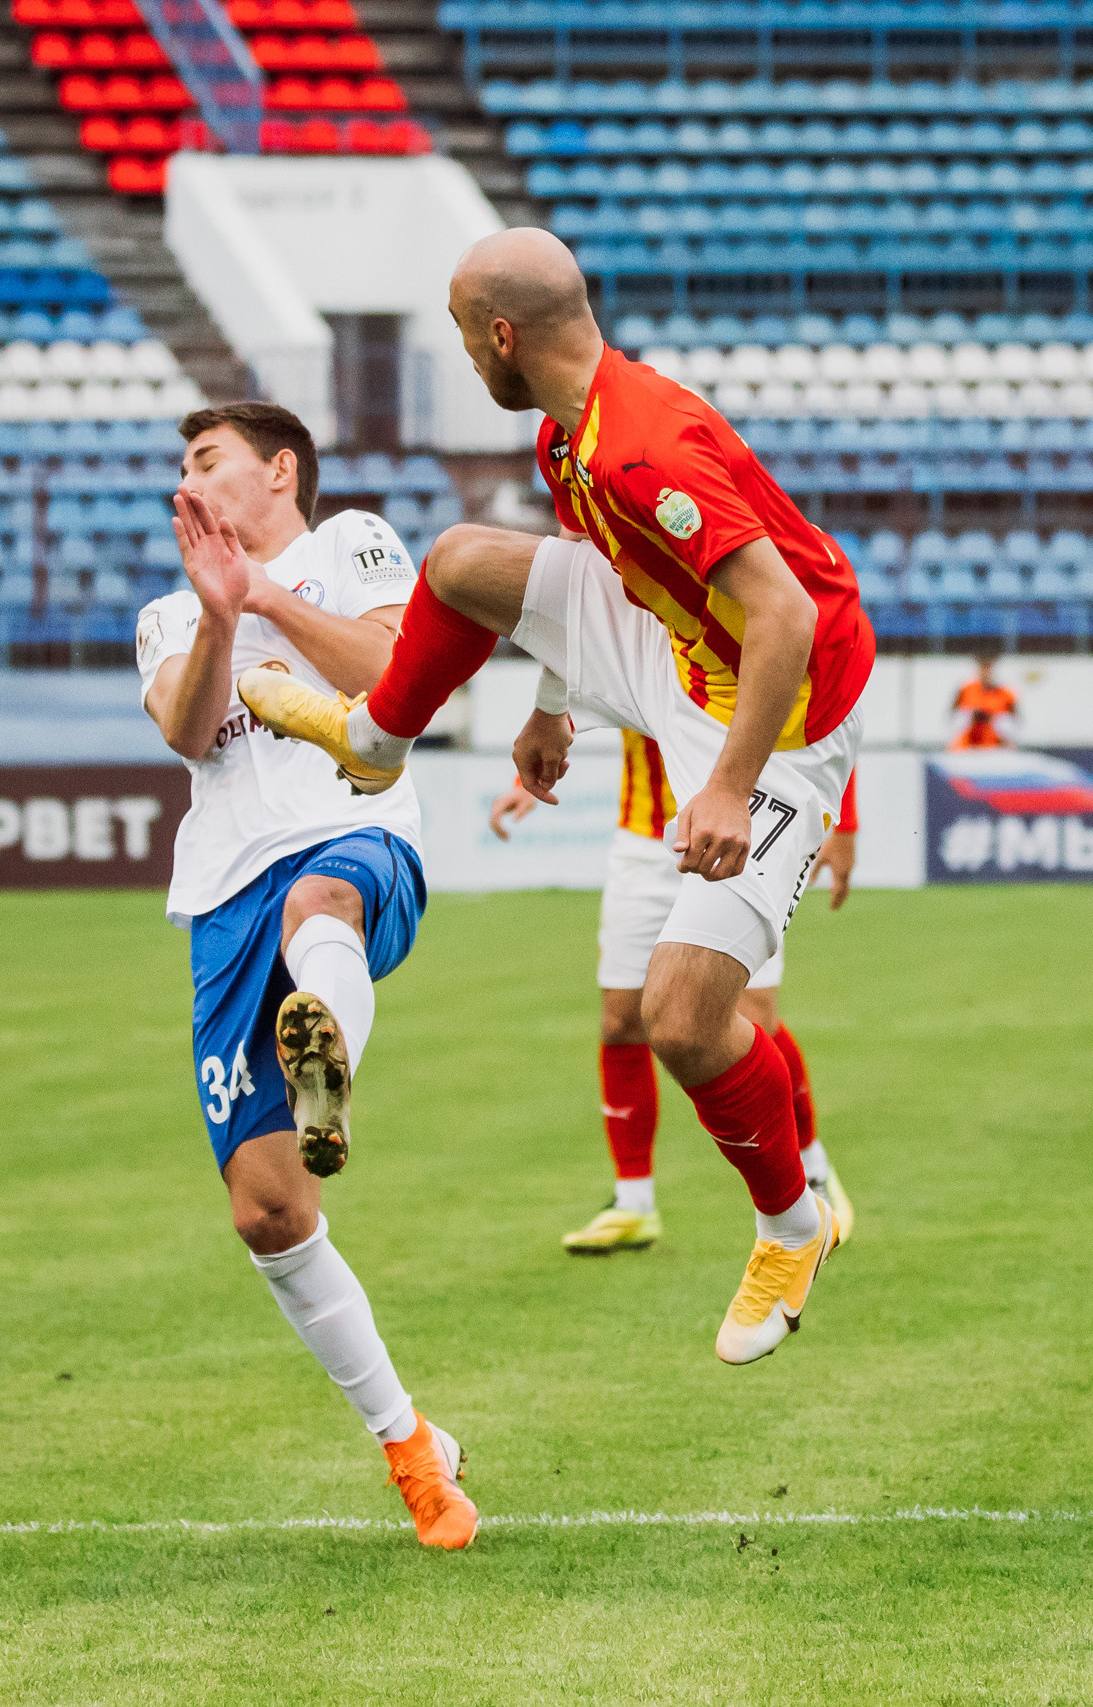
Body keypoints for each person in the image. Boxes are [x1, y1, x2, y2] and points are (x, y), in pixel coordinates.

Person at [239, 228, 877, 1367]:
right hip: (679, 654)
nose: (459, 353)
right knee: (462, 565)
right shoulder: (565, 437)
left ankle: (790, 1226)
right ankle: (375, 735)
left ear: (501, 336)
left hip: (781, 720)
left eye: (456, 331)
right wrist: (554, 703)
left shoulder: (644, 448)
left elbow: (788, 616)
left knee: (682, 1017)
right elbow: (608, 578)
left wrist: (728, 789)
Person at [135, 400, 477, 1550]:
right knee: (268, 1210)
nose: (185, 480)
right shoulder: (167, 615)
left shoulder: (352, 545)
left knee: (315, 906)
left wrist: (271, 595)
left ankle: (326, 1050)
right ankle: (411, 1449)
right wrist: (223, 618)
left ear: (280, 471)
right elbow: (188, 732)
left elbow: (393, 672)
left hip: (354, 837)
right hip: (221, 900)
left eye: (206, 459)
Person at [489, 731, 858, 1254]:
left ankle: (813, 1171)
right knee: (621, 1020)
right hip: (643, 842)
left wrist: (845, 825)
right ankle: (632, 1202)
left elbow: (829, 708)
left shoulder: (759, 646)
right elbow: (574, 690)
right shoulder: (631, 647)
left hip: (746, 834)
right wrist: (532, 776)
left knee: (755, 1022)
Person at [949, 643, 1020, 749]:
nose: (985, 672)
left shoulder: (1005, 693)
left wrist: (992, 718)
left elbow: (1014, 723)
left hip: (995, 749)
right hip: (967, 748)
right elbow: (953, 719)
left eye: (988, 667)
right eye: (982, 667)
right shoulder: (965, 690)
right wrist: (972, 716)